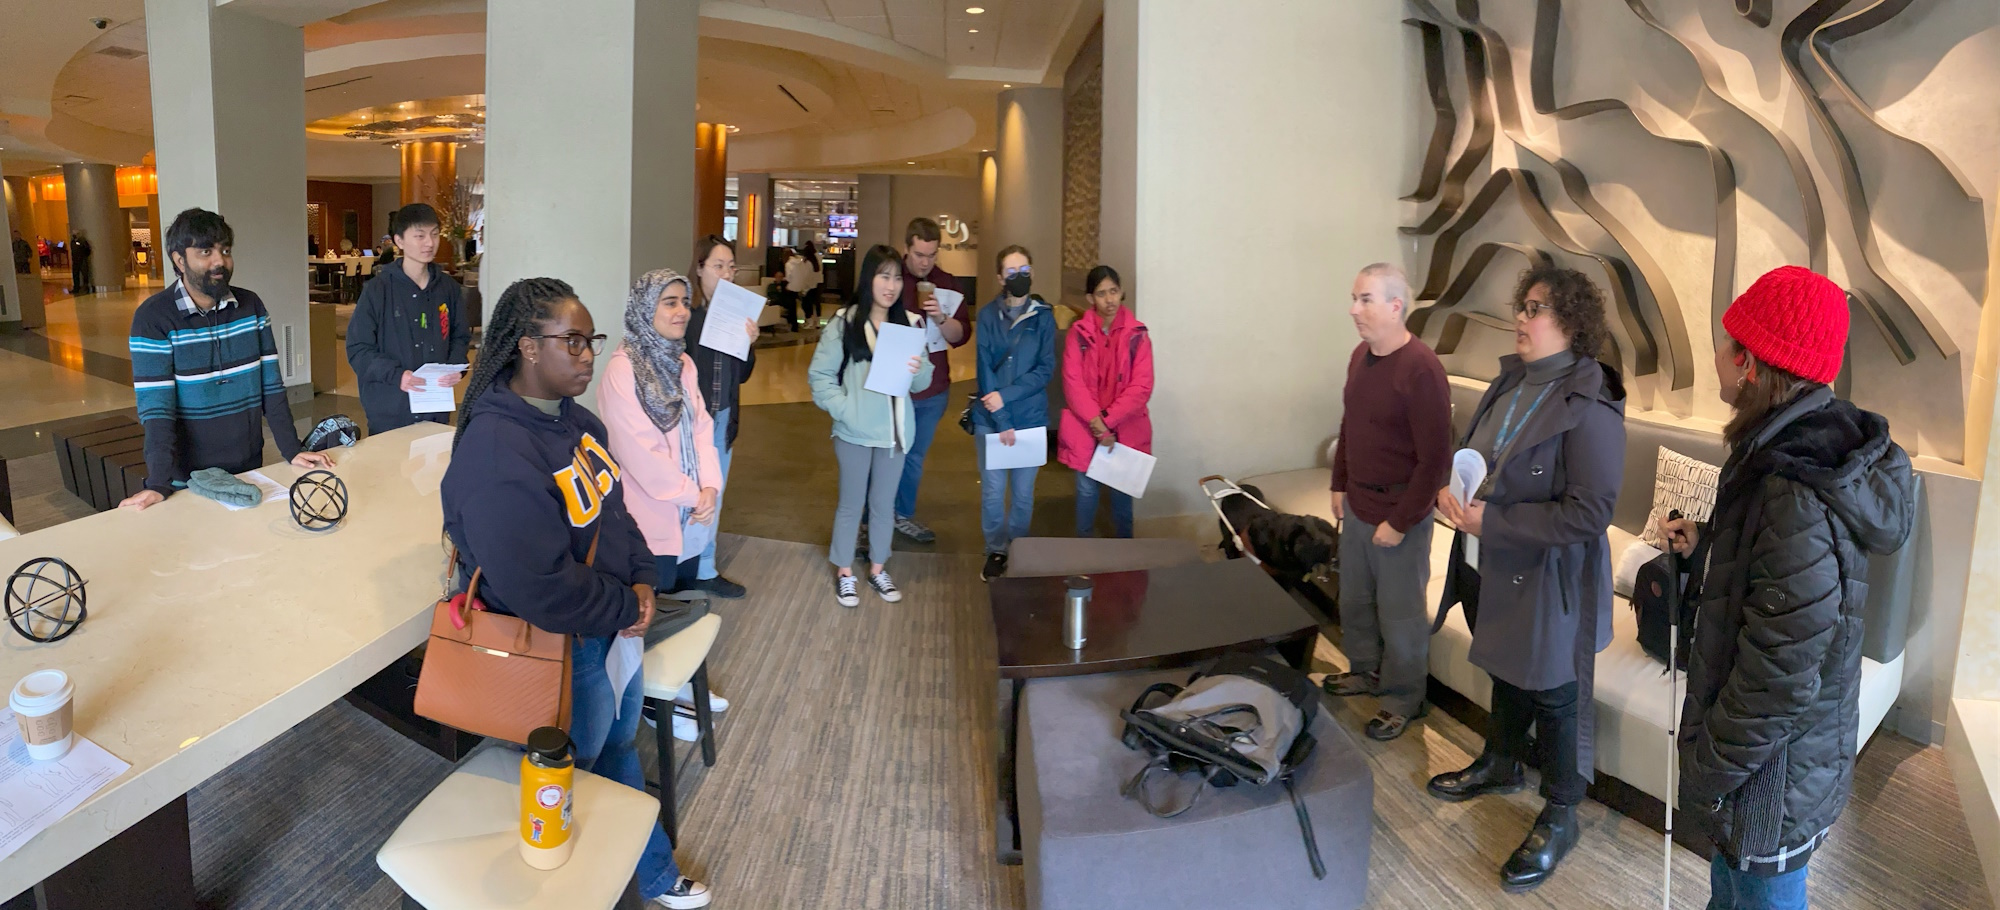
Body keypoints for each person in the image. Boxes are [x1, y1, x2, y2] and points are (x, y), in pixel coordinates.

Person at [440, 276, 713, 909]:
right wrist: (628, 606)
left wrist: (643, 578)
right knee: (572, 777)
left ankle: (648, 873)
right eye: (573, 341)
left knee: (617, 749)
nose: (588, 355)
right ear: (528, 347)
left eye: (592, 340)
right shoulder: (496, 450)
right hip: (563, 648)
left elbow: (618, 515)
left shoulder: (578, 422)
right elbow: (539, 586)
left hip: (611, 631)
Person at [1661, 266, 1913, 910]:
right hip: (1770, 762)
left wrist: (1707, 769)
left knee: (1760, 894)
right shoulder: (1785, 452)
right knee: (1731, 892)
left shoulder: (1794, 487)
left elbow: (1777, 675)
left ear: (1750, 364)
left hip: (1770, 776)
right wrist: (1707, 544)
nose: (1719, 354)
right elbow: (1774, 582)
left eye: (1728, 341)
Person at [1428, 266, 1626, 893]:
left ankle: (1562, 812)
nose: (1520, 316)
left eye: (1535, 308)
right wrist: (1453, 493)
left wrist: (1495, 521)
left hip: (1549, 572)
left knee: (1556, 693)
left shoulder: (1590, 401)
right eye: (1522, 304)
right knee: (1505, 666)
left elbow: (1590, 513)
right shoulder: (1510, 380)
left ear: (1571, 322)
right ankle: (1501, 762)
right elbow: (1481, 461)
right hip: (1488, 558)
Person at [118, 208, 332, 511]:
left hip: (247, 463)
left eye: (225, 250)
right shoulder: (153, 318)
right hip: (188, 478)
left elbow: (271, 387)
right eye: (206, 252)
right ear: (179, 260)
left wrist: (291, 449)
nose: (220, 261)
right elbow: (157, 409)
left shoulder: (251, 306)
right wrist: (158, 483)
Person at [1320, 263, 1451, 741]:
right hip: (1358, 505)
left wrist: (1399, 522)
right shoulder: (1360, 356)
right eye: (1354, 298)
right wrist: (1339, 482)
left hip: (1401, 515)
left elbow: (1435, 461)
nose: (1354, 310)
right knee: (1355, 600)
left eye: (1365, 300)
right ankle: (1366, 671)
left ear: (1396, 307)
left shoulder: (1422, 369)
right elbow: (1349, 424)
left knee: (1400, 615)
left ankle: (1403, 699)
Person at [600, 268, 731, 739]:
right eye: (669, 302)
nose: (681, 312)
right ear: (645, 309)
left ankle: (675, 686)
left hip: (689, 511)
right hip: (649, 517)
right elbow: (640, 454)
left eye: (684, 302)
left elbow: (702, 427)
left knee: (678, 602)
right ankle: (650, 702)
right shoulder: (622, 370)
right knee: (647, 612)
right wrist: (694, 494)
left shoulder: (682, 362)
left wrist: (710, 486)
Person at [807, 244, 932, 606]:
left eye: (896, 278)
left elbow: (922, 382)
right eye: (883, 276)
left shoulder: (909, 324)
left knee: (883, 505)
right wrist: (847, 410)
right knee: (851, 504)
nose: (890, 286)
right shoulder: (845, 323)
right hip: (854, 434)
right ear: (868, 279)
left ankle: (878, 568)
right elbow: (820, 377)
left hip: (894, 433)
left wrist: (918, 369)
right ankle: (845, 571)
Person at [345, 203, 470, 434]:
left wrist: (455, 367)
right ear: (399, 241)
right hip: (390, 408)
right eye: (420, 236)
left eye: (434, 234)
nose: (430, 243)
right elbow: (358, 348)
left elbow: (460, 336)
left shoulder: (448, 289)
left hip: (435, 407)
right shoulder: (378, 290)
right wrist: (396, 375)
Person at [682, 235, 761, 598]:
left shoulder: (735, 316)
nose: (727, 274)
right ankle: (677, 569)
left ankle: (704, 569)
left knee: (714, 494)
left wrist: (749, 343)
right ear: (699, 269)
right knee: (686, 495)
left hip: (723, 419)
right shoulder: (685, 316)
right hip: (689, 424)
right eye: (718, 266)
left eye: (731, 267)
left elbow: (740, 376)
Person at [972, 245, 1056, 581]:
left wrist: (1005, 398)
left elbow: (1044, 370)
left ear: (1032, 273)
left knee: (1023, 495)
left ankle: (1017, 548)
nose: (1018, 276)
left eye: (1024, 270)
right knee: (993, 493)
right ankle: (996, 550)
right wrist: (1001, 418)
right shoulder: (987, 316)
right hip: (990, 419)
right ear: (1000, 277)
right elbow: (984, 369)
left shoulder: (1043, 316)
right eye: (1011, 271)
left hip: (1030, 418)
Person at [891, 217, 973, 545]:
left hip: (932, 388)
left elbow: (960, 336)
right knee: (885, 453)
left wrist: (940, 316)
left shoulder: (947, 284)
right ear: (906, 249)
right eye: (919, 255)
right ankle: (872, 517)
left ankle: (902, 514)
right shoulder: (890, 278)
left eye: (931, 255)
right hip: (892, 385)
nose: (925, 263)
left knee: (913, 456)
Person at [1058, 265, 1152, 538]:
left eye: (1114, 291)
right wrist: (1097, 424)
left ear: (1121, 292)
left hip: (1125, 427)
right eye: (1101, 293)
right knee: (1086, 494)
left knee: (1122, 501)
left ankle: (1125, 554)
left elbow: (1141, 387)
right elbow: (1073, 383)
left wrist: (1107, 422)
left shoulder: (1137, 335)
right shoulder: (1078, 334)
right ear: (1090, 298)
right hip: (1086, 427)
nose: (1110, 299)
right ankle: (1085, 552)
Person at [784, 247, 820, 328]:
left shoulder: (789, 264)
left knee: (800, 304)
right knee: (809, 304)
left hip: (797, 286)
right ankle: (812, 321)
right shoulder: (800, 262)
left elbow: (789, 277)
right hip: (805, 285)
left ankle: (797, 322)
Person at [70, 230, 92, 294]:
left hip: (82, 260)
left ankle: (86, 288)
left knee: (85, 274)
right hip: (75, 261)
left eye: (75, 234)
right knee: (75, 275)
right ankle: (76, 288)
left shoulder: (83, 241)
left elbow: (88, 250)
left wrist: (84, 256)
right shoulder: (72, 242)